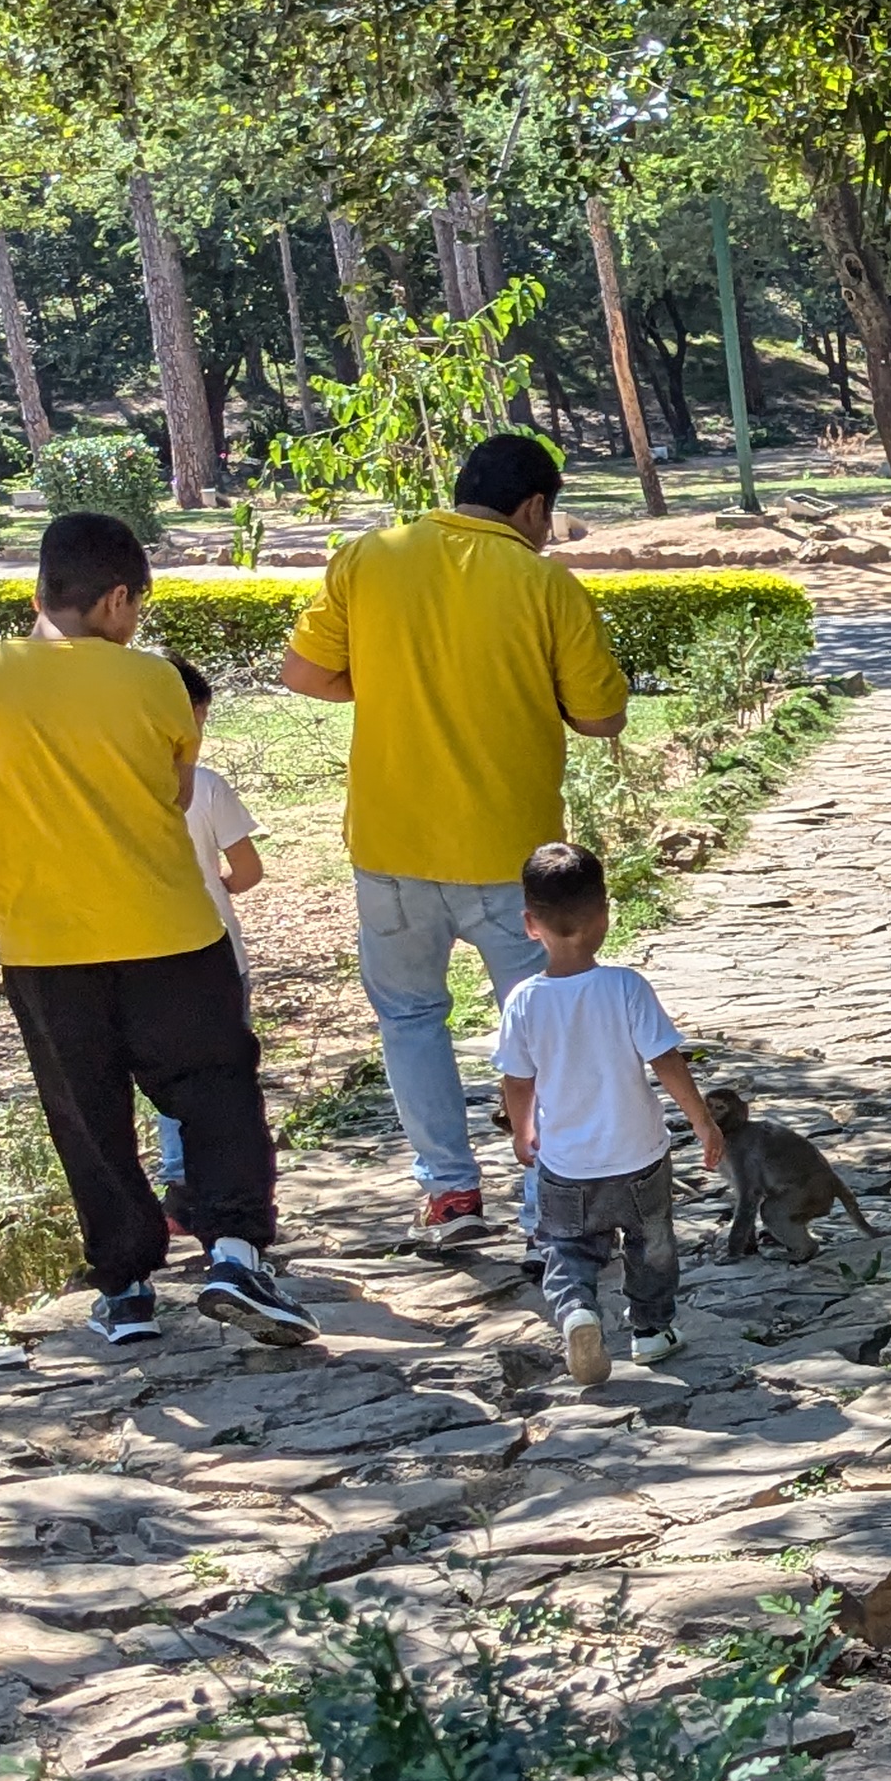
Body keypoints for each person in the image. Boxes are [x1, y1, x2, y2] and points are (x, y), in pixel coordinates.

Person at [0, 511, 315, 1351]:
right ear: (119, 599)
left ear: (40, 592)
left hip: (47, 946)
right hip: (171, 929)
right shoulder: (157, 683)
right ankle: (235, 1251)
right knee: (216, 1089)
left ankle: (126, 1286)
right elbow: (172, 793)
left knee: (86, 1113)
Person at [278, 431, 627, 1253]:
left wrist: (393, 678)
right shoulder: (544, 584)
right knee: (544, 1025)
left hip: (392, 848)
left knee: (409, 1019)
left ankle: (450, 1194)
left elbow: (302, 672)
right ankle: (551, 1195)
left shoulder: (369, 557)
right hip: (514, 858)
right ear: (534, 507)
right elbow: (602, 717)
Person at [493, 840, 728, 1389]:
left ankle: (577, 1310)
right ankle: (652, 1330)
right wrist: (701, 1120)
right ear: (604, 915)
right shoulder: (625, 986)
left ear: (530, 924)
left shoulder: (523, 1001)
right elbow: (665, 1059)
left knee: (568, 1248)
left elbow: (516, 1079)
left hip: (566, 1162)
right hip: (639, 1153)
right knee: (652, 1244)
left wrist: (523, 1131)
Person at [146, 662, 265, 1218]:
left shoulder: (120, 783)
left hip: (145, 951)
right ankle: (230, 1191)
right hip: (216, 950)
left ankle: (178, 1184)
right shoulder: (208, 786)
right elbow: (247, 871)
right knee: (223, 1073)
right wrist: (216, 882)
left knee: (165, 1076)